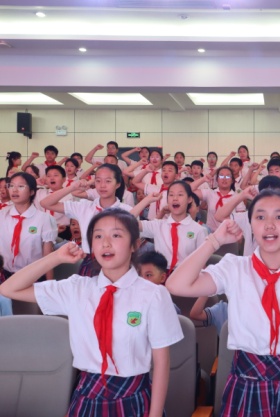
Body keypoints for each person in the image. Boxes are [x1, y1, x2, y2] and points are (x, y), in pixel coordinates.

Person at [0, 208, 183, 416]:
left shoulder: (154, 295)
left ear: (134, 245)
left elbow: (162, 362)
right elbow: (8, 289)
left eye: (116, 235)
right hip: (88, 394)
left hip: (133, 396)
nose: (105, 243)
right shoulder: (76, 288)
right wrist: (55, 257)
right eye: (98, 236)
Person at [167, 189, 280, 416]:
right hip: (246, 383)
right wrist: (214, 241)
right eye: (260, 217)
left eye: (279, 217)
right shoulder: (234, 268)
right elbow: (176, 285)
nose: (269, 225)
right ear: (250, 225)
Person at [41, 164, 132, 276]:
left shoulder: (127, 211)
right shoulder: (84, 207)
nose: (102, 185)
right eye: (98, 181)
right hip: (90, 262)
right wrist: (72, 187)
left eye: (108, 181)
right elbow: (46, 203)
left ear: (118, 184)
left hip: (118, 262)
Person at [130, 181, 208, 275]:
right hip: (159, 276)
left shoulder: (199, 230)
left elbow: (201, 264)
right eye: (171, 195)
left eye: (180, 195)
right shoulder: (158, 225)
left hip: (186, 277)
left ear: (189, 199)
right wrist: (147, 200)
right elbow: (126, 222)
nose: (175, 198)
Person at [0, 173, 57, 282]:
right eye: (11, 186)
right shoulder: (2, 215)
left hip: (32, 277)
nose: (14, 190)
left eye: (21, 186)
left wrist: (49, 284)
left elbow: (47, 256)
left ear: (31, 191)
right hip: (5, 275)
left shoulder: (44, 219)